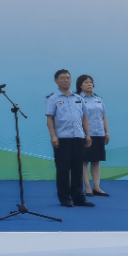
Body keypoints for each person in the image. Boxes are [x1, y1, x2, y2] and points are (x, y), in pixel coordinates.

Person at [46, 69, 94, 208]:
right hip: (62, 139)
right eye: (62, 78)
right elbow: (50, 118)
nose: (66, 80)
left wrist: (87, 134)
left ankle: (79, 198)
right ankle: (65, 198)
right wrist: (53, 136)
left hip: (78, 137)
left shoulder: (78, 98)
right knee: (63, 170)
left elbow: (84, 118)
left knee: (78, 169)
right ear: (56, 81)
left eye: (68, 77)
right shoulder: (53, 98)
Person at [76, 75, 110, 197]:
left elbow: (103, 116)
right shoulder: (78, 99)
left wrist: (107, 132)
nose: (89, 84)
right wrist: (85, 134)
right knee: (84, 161)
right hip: (85, 134)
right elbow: (78, 118)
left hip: (99, 133)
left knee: (96, 161)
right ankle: (87, 187)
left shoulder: (99, 99)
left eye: (91, 82)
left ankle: (97, 187)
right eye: (86, 82)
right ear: (80, 85)